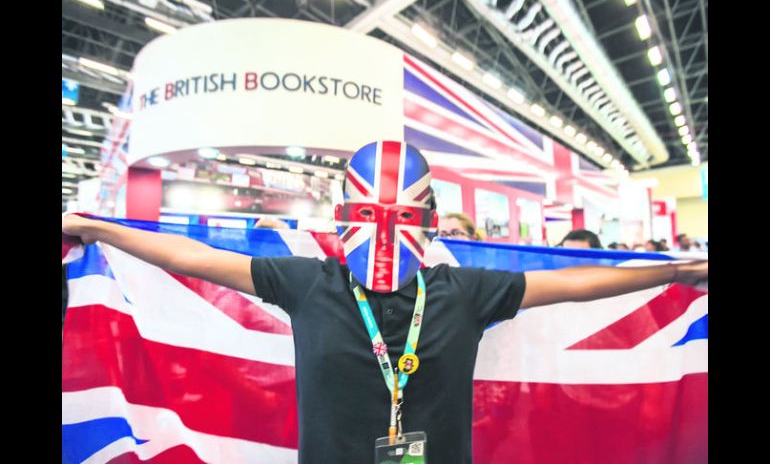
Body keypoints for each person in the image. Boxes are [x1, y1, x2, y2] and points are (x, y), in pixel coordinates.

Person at [62, 141, 707, 464]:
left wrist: (679, 271)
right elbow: (194, 258)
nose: (385, 232)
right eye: (371, 215)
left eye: (399, 217)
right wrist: (100, 230)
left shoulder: (460, 292)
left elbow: (574, 285)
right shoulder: (310, 283)